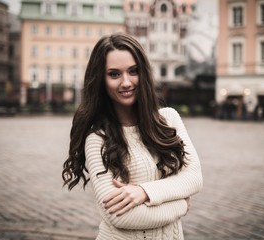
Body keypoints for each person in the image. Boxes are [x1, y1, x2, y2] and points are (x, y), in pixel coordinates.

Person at [62, 32, 203, 240]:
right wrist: (181, 204)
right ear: (101, 80)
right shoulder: (97, 139)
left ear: (143, 73)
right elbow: (121, 217)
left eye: (133, 71)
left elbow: (194, 179)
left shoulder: (169, 119)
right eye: (114, 74)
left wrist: (143, 192)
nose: (126, 82)